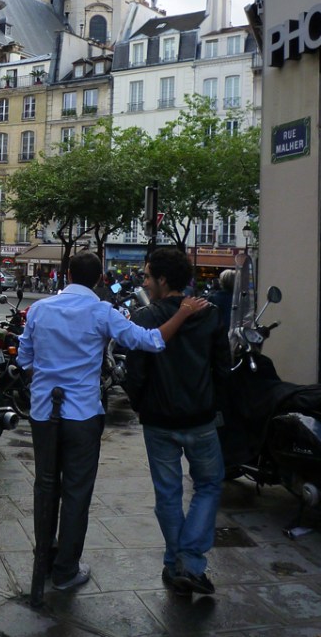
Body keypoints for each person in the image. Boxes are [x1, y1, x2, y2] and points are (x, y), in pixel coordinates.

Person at [16, 251, 207, 593]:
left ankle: (42, 560)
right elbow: (151, 341)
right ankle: (65, 570)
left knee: (46, 488)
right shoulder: (102, 312)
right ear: (100, 279)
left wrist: (46, 382)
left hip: (45, 414)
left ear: (68, 274)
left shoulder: (40, 309)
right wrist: (184, 312)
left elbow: (25, 358)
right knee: (76, 492)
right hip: (83, 416)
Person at [123, 247, 231, 597]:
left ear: (162, 279)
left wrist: (141, 406)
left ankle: (179, 562)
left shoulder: (144, 317)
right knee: (209, 485)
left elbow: (135, 373)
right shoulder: (210, 315)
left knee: (168, 493)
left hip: (159, 419)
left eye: (147, 275)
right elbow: (222, 369)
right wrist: (215, 405)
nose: (144, 280)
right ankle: (188, 562)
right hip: (200, 417)